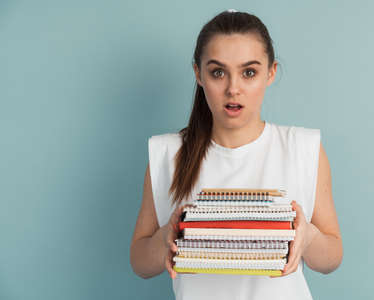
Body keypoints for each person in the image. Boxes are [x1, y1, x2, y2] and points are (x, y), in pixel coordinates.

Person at [130, 9, 343, 300]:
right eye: (218, 72)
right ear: (198, 74)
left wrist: (307, 238)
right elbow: (140, 261)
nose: (233, 89)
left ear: (271, 73)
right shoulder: (167, 153)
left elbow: (332, 257)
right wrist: (164, 239)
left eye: (249, 72)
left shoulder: (303, 148)